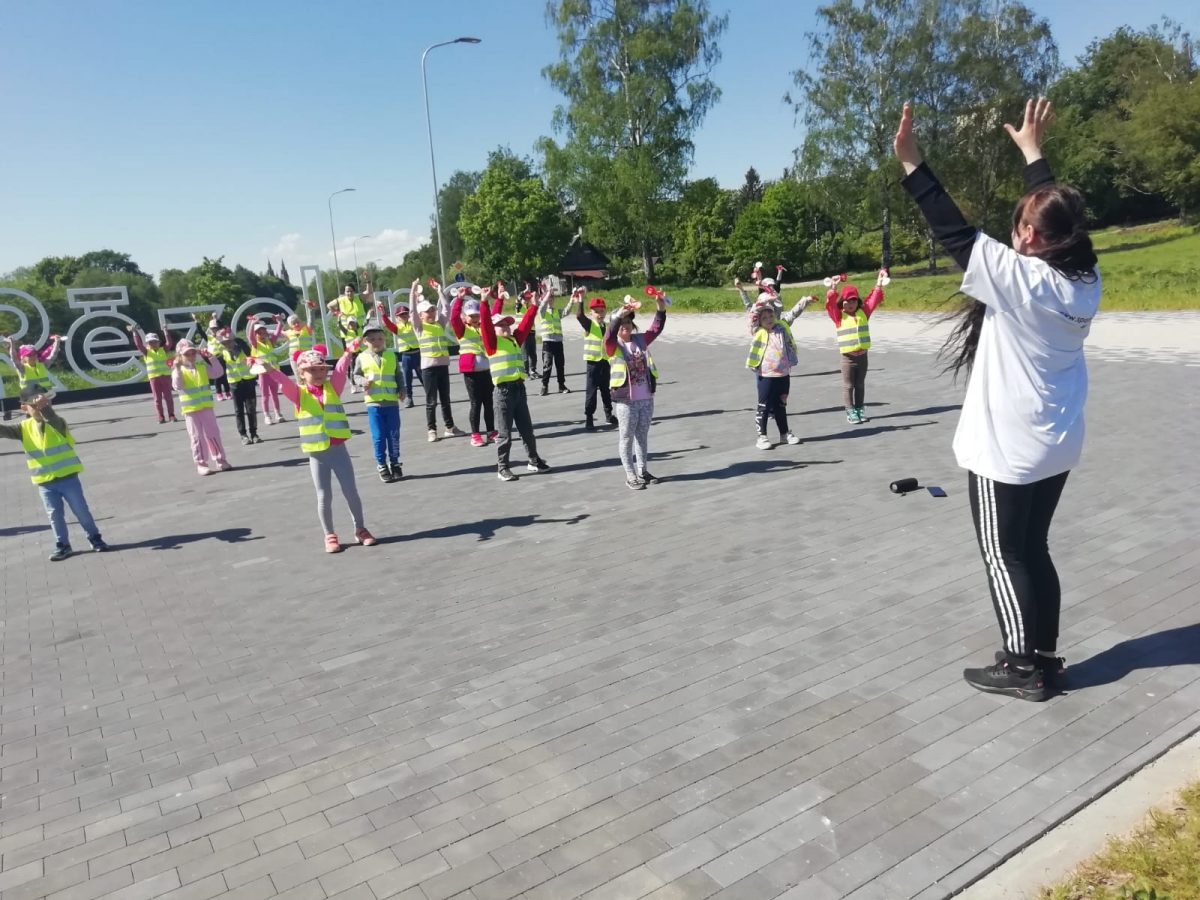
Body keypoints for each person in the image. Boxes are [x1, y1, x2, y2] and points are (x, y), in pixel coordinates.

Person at [895, 97, 1100, 701]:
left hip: (1007, 449)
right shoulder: (1084, 279)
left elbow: (953, 231)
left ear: (1030, 238)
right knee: (1033, 547)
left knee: (1003, 553)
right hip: (1056, 440)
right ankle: (1047, 659)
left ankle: (1022, 666)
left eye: (1021, 228)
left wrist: (912, 164)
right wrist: (1033, 156)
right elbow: (1057, 219)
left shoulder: (1022, 280)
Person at [260, 346, 377, 553]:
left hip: (338, 450)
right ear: (301, 374)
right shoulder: (298, 394)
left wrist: (348, 354)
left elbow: (340, 370)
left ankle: (360, 529)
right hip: (318, 454)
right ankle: (329, 534)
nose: (318, 373)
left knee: (351, 491)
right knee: (324, 496)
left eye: (322, 369)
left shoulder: (333, 388)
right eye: (312, 370)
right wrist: (270, 369)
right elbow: (284, 382)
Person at [0, 384, 108, 560]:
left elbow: (53, 421)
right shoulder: (22, 428)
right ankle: (63, 545)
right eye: (34, 405)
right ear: (24, 408)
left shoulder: (57, 422)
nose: (39, 408)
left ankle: (95, 538)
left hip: (68, 478)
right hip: (45, 482)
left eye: (45, 403)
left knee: (81, 511)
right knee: (54, 515)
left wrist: (45, 409)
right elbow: (2, 431)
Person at [479, 288, 551, 482]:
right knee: (504, 434)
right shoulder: (492, 343)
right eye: (501, 324)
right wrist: (484, 302)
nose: (506, 327)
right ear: (493, 329)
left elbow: (526, 324)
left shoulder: (513, 340)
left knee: (527, 430)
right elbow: (485, 324)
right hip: (503, 393)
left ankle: (533, 460)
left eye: (507, 324)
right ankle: (502, 467)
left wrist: (534, 305)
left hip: (519, 389)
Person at [605, 293, 667, 489]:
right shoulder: (612, 345)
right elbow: (609, 333)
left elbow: (656, 328)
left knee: (642, 436)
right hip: (626, 401)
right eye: (621, 323)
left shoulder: (640, 340)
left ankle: (643, 470)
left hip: (646, 397)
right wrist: (618, 316)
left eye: (628, 322)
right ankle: (630, 475)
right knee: (626, 438)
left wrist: (661, 308)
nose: (625, 325)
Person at [745, 291, 813, 449]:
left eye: (771, 316)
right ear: (759, 320)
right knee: (764, 406)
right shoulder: (757, 330)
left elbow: (794, 313)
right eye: (764, 318)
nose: (769, 319)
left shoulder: (781, 327)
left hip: (783, 374)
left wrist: (805, 300)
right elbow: (753, 314)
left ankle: (784, 433)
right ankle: (762, 436)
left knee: (781, 405)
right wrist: (763, 302)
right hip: (766, 375)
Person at [825, 272, 886, 424]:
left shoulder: (864, 312)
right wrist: (833, 287)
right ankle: (850, 411)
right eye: (847, 301)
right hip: (848, 358)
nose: (850, 304)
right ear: (842, 302)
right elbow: (831, 303)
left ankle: (859, 409)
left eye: (853, 300)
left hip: (863, 356)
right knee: (848, 385)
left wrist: (879, 283)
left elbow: (873, 300)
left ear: (858, 302)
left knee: (860, 385)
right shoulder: (838, 316)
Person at [352, 321, 405, 482]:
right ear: (365, 341)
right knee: (379, 436)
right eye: (372, 339)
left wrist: (402, 389)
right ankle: (382, 464)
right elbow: (356, 375)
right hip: (374, 404)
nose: (377, 342)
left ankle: (395, 462)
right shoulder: (362, 357)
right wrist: (363, 382)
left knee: (393, 435)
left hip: (391, 402)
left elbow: (398, 374)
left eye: (380, 338)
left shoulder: (391, 355)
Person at [411, 279, 463, 442]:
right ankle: (431, 429)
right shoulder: (419, 327)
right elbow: (412, 312)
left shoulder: (439, 324)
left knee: (445, 399)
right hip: (428, 369)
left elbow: (447, 308)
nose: (432, 313)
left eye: (433, 310)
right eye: (428, 311)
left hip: (443, 367)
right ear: (421, 315)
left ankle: (450, 427)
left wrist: (440, 291)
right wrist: (412, 291)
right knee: (431, 401)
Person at [171, 339, 233, 476]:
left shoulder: (201, 365)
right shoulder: (178, 369)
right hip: (191, 410)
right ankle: (201, 463)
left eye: (193, 352)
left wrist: (211, 358)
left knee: (213, 434)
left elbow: (218, 373)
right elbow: (177, 385)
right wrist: (177, 369)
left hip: (206, 407)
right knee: (196, 437)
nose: (191, 356)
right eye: (187, 354)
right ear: (180, 355)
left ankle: (220, 460)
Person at [201, 316, 261, 445]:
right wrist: (206, 356)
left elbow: (251, 350)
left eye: (229, 342)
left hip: (249, 381)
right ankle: (243, 435)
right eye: (224, 343)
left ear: (234, 340)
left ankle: (254, 433)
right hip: (235, 384)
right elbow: (214, 366)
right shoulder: (223, 353)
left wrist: (251, 360)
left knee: (251, 409)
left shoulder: (244, 348)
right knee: (238, 411)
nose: (227, 344)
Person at [449, 292, 497, 447]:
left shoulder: (482, 328)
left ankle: (491, 432)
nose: (475, 318)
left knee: (489, 402)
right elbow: (453, 318)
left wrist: (492, 300)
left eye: (477, 315)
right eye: (471, 316)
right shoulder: (462, 329)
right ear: (465, 317)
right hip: (471, 372)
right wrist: (459, 299)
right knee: (476, 403)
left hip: (486, 371)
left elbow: (491, 316)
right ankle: (475, 435)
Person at [570, 293, 618, 431]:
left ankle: (609, 415)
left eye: (602, 311)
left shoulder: (608, 327)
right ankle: (589, 417)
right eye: (596, 311)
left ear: (605, 312)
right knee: (591, 392)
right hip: (593, 364)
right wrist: (580, 301)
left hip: (605, 363)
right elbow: (579, 316)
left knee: (606, 390)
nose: (599, 314)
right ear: (591, 313)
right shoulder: (590, 325)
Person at [374, 292, 421, 408]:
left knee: (423, 377)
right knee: (407, 379)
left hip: (418, 354)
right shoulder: (397, 328)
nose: (403, 315)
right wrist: (383, 312)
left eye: (405, 313)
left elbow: (417, 315)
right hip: (406, 356)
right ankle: (409, 398)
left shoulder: (414, 324)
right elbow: (388, 324)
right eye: (401, 314)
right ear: (397, 317)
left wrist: (417, 300)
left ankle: (431, 395)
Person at [128, 325, 177, 424]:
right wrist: (134, 332)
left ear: (159, 342)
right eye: (150, 342)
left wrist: (165, 331)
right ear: (147, 344)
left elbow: (169, 343)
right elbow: (138, 345)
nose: (153, 344)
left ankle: (171, 415)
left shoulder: (163, 350)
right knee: (157, 399)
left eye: (155, 341)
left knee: (168, 397)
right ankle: (161, 416)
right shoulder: (146, 352)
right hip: (154, 378)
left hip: (166, 377)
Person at [248, 319, 287, 425]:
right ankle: (267, 416)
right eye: (259, 333)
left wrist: (279, 322)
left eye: (264, 332)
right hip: (263, 373)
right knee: (265, 396)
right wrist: (252, 324)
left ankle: (278, 414)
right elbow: (250, 337)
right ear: (256, 334)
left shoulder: (270, 342)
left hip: (273, 372)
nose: (262, 334)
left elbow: (277, 333)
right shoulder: (255, 344)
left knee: (275, 394)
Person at [537, 287, 571, 395]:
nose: (551, 299)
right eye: (549, 298)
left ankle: (561, 385)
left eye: (552, 298)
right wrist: (547, 295)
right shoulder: (542, 312)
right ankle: (544, 386)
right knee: (547, 365)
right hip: (548, 342)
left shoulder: (557, 311)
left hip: (558, 342)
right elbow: (542, 305)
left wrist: (572, 300)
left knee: (560, 365)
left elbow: (566, 311)